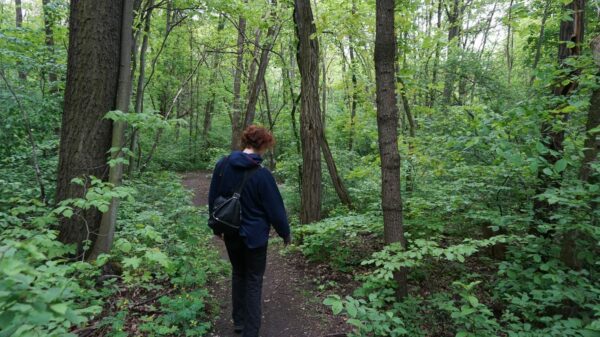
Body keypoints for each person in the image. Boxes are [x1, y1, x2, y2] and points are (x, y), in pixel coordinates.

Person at [208, 125, 291, 337]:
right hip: (254, 238)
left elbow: (213, 197)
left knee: (238, 273)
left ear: (245, 142)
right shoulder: (263, 175)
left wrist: (216, 226)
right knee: (253, 281)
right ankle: (250, 332)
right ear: (262, 145)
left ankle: (239, 321)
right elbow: (275, 209)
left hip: (231, 232)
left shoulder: (223, 164)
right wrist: (285, 233)